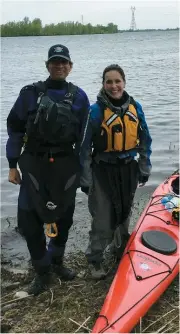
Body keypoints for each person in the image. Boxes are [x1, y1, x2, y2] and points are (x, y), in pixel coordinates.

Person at [6, 44, 90, 295]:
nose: (59, 66)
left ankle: (56, 261)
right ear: (47, 65)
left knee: (64, 217)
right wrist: (12, 165)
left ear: (71, 66)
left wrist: (85, 172)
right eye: (55, 62)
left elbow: (86, 138)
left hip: (66, 165)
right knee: (28, 220)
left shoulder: (80, 97)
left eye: (64, 62)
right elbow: (15, 129)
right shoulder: (30, 94)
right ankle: (42, 271)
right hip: (33, 163)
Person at [80, 64, 152, 279]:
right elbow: (83, 149)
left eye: (117, 81)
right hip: (103, 171)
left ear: (124, 82)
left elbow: (145, 140)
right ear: (103, 84)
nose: (113, 86)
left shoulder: (135, 107)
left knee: (125, 213)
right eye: (109, 81)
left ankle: (119, 249)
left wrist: (144, 166)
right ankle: (95, 259)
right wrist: (85, 179)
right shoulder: (95, 111)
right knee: (103, 218)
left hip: (128, 169)